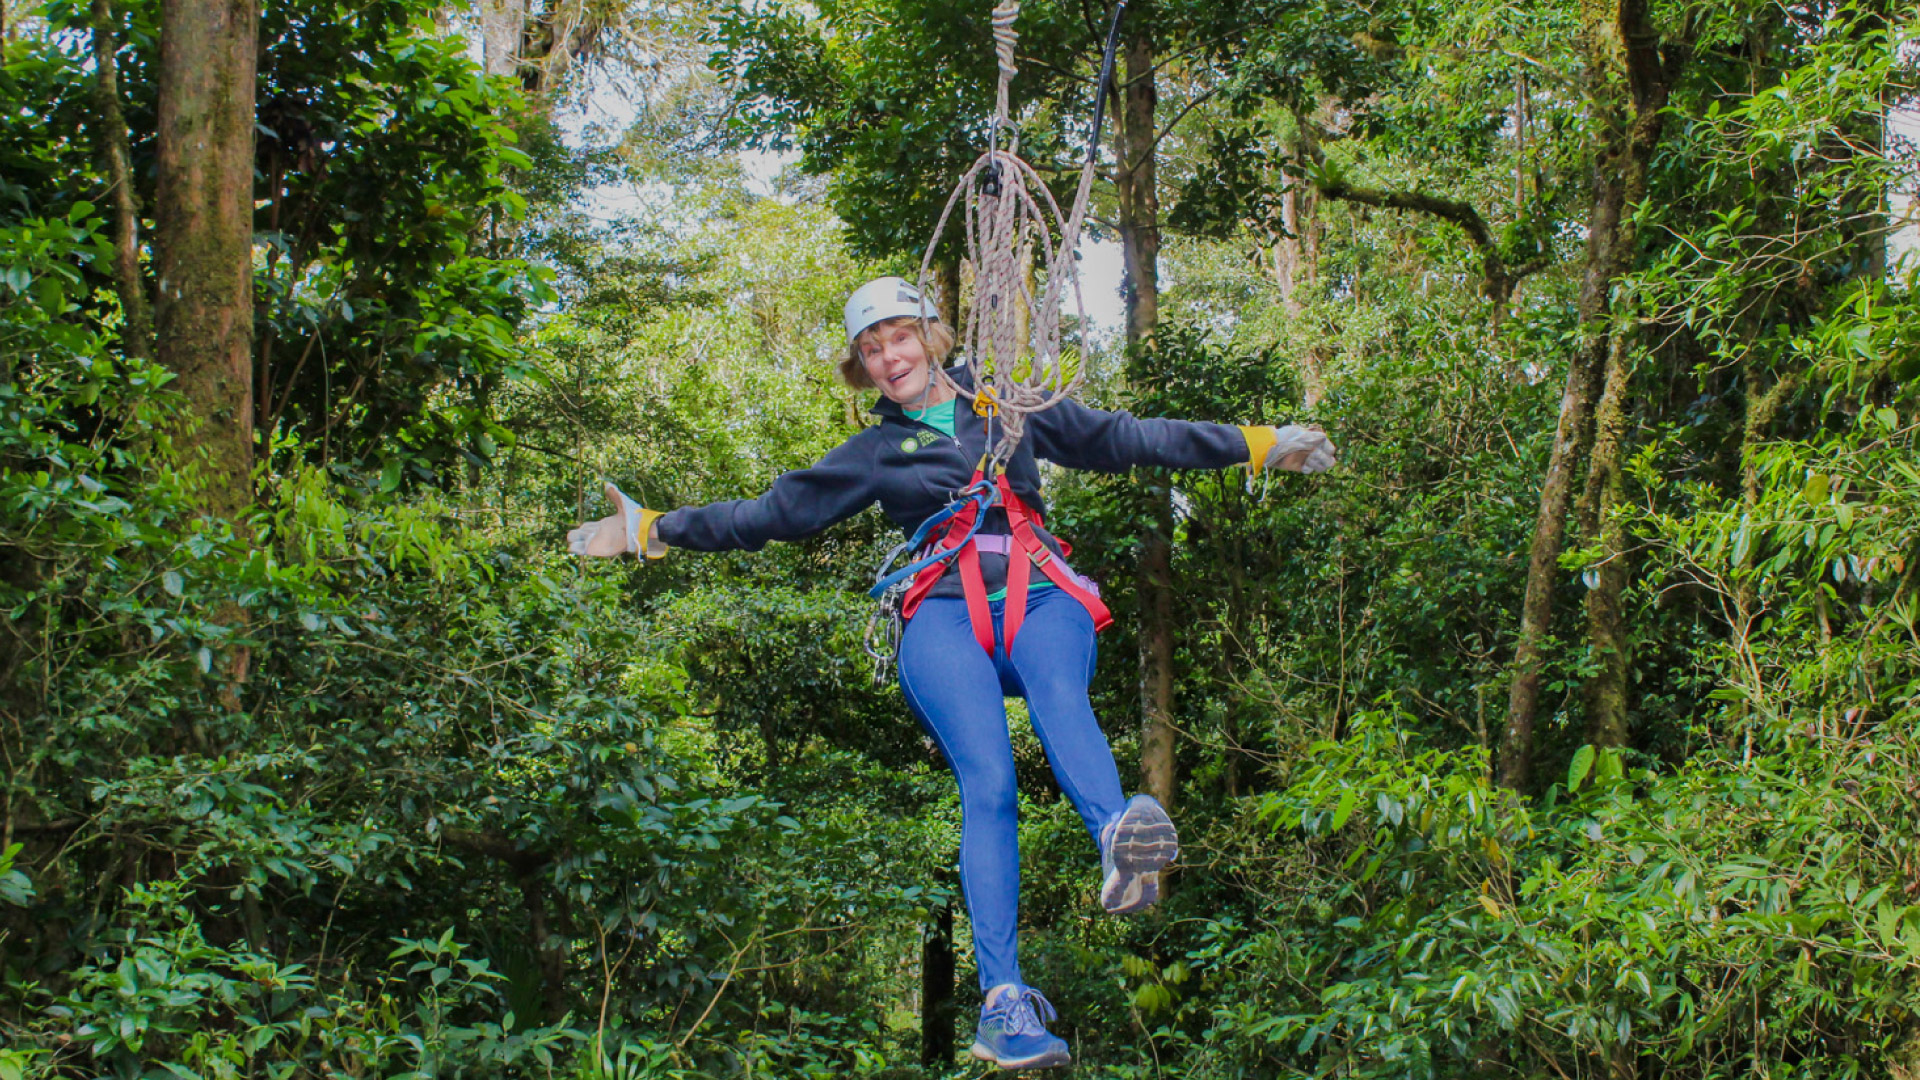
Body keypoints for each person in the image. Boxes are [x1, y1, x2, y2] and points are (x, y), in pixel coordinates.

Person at [568, 276, 1336, 1070]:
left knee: (1057, 688)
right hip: (940, 607)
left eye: (898, 337)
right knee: (989, 782)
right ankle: (1003, 1004)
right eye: (870, 349)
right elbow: (768, 514)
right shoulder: (874, 453)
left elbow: (1127, 438)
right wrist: (652, 530)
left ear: (932, 336)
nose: (887, 357)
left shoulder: (1007, 406)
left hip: (1039, 591)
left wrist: (1255, 442)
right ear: (861, 368)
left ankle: (1116, 830)